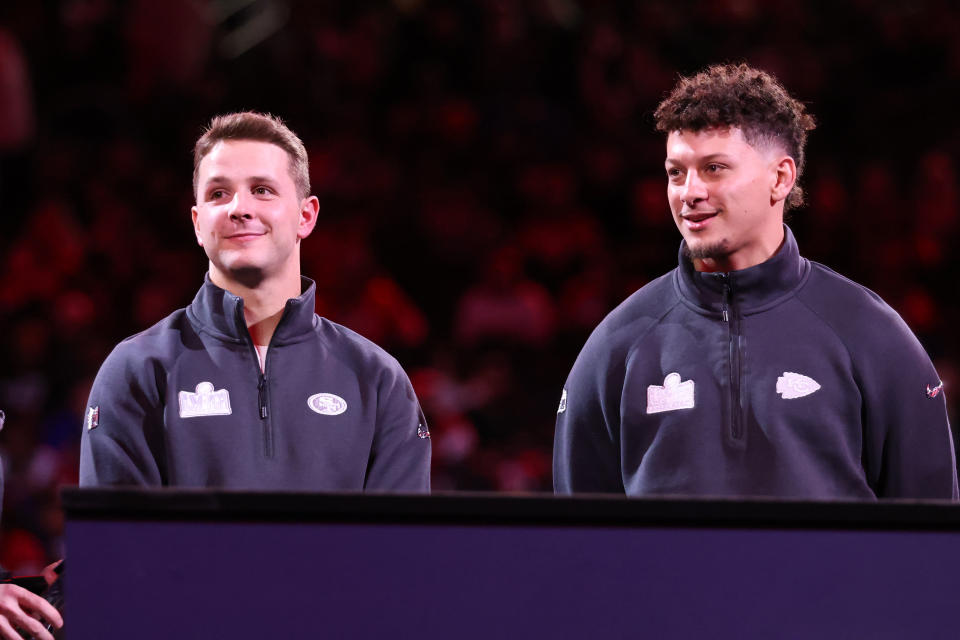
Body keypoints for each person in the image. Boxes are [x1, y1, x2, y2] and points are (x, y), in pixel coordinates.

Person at [554, 63, 958, 499]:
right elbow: (580, 545)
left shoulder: (871, 334)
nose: (688, 192)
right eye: (676, 172)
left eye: (713, 168)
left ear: (780, 178)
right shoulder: (616, 346)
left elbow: (931, 536)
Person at [80, 112, 430, 491]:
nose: (239, 208)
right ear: (198, 223)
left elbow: (400, 547)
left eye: (262, 190)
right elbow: (115, 546)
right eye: (219, 193)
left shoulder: (376, 379)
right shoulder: (137, 370)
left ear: (306, 215)